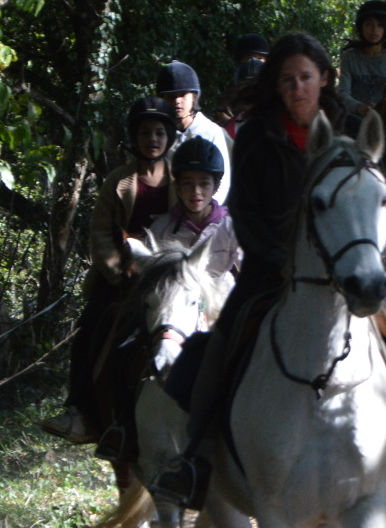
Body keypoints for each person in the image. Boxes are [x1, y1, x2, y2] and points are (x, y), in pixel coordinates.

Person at [146, 32, 386, 507]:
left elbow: (381, 191)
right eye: (286, 80)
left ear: (324, 78)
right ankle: (197, 459)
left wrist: (370, 251)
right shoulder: (254, 134)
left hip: (351, 267)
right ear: (276, 85)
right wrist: (279, 262)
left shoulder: (354, 123)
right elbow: (244, 211)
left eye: (305, 77)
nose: (296, 88)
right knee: (216, 344)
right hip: (271, 271)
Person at [41, 96, 180, 444]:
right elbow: (101, 234)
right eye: (146, 132)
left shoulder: (183, 179)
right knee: (90, 327)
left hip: (168, 278)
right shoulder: (117, 181)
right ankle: (81, 412)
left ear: (169, 137)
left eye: (160, 132)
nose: (153, 139)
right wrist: (121, 273)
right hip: (124, 280)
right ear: (135, 137)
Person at [147, 136, 239, 281]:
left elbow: (249, 273)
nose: (196, 191)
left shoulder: (232, 228)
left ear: (216, 187)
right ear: (177, 186)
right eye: (188, 183)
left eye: (204, 184)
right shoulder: (160, 230)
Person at [157, 60, 234, 204]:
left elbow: (223, 181)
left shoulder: (211, 132)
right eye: (171, 97)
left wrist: (205, 214)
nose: (177, 101)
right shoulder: (159, 135)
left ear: (194, 97)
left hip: (206, 217)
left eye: (182, 95)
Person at [337, 1, 386, 117]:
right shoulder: (350, 57)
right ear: (361, 27)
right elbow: (343, 93)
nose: (374, 29)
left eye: (380, 25)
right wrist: (361, 107)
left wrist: (380, 109)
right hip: (355, 118)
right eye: (369, 24)